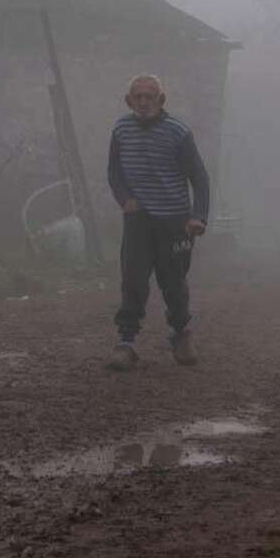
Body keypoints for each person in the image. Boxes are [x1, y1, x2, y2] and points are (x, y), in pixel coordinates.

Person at [104, 73, 210, 370]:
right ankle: (126, 343)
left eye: (150, 96)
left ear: (161, 100)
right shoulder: (121, 129)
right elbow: (113, 171)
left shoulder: (178, 132)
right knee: (133, 280)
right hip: (138, 220)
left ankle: (181, 333)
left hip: (175, 221)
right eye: (137, 96)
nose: (143, 101)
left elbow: (199, 178)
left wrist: (198, 216)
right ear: (128, 101)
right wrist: (125, 198)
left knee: (173, 281)